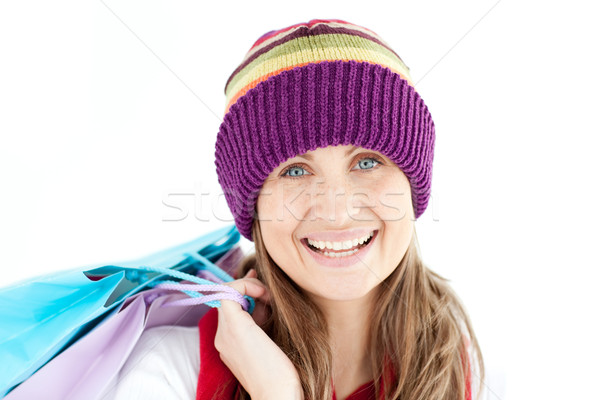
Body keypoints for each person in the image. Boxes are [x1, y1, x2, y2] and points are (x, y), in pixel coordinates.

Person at [106, 18, 484, 400]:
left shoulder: (466, 368)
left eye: (367, 162)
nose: (336, 210)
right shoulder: (167, 373)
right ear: (252, 208)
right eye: (295, 170)